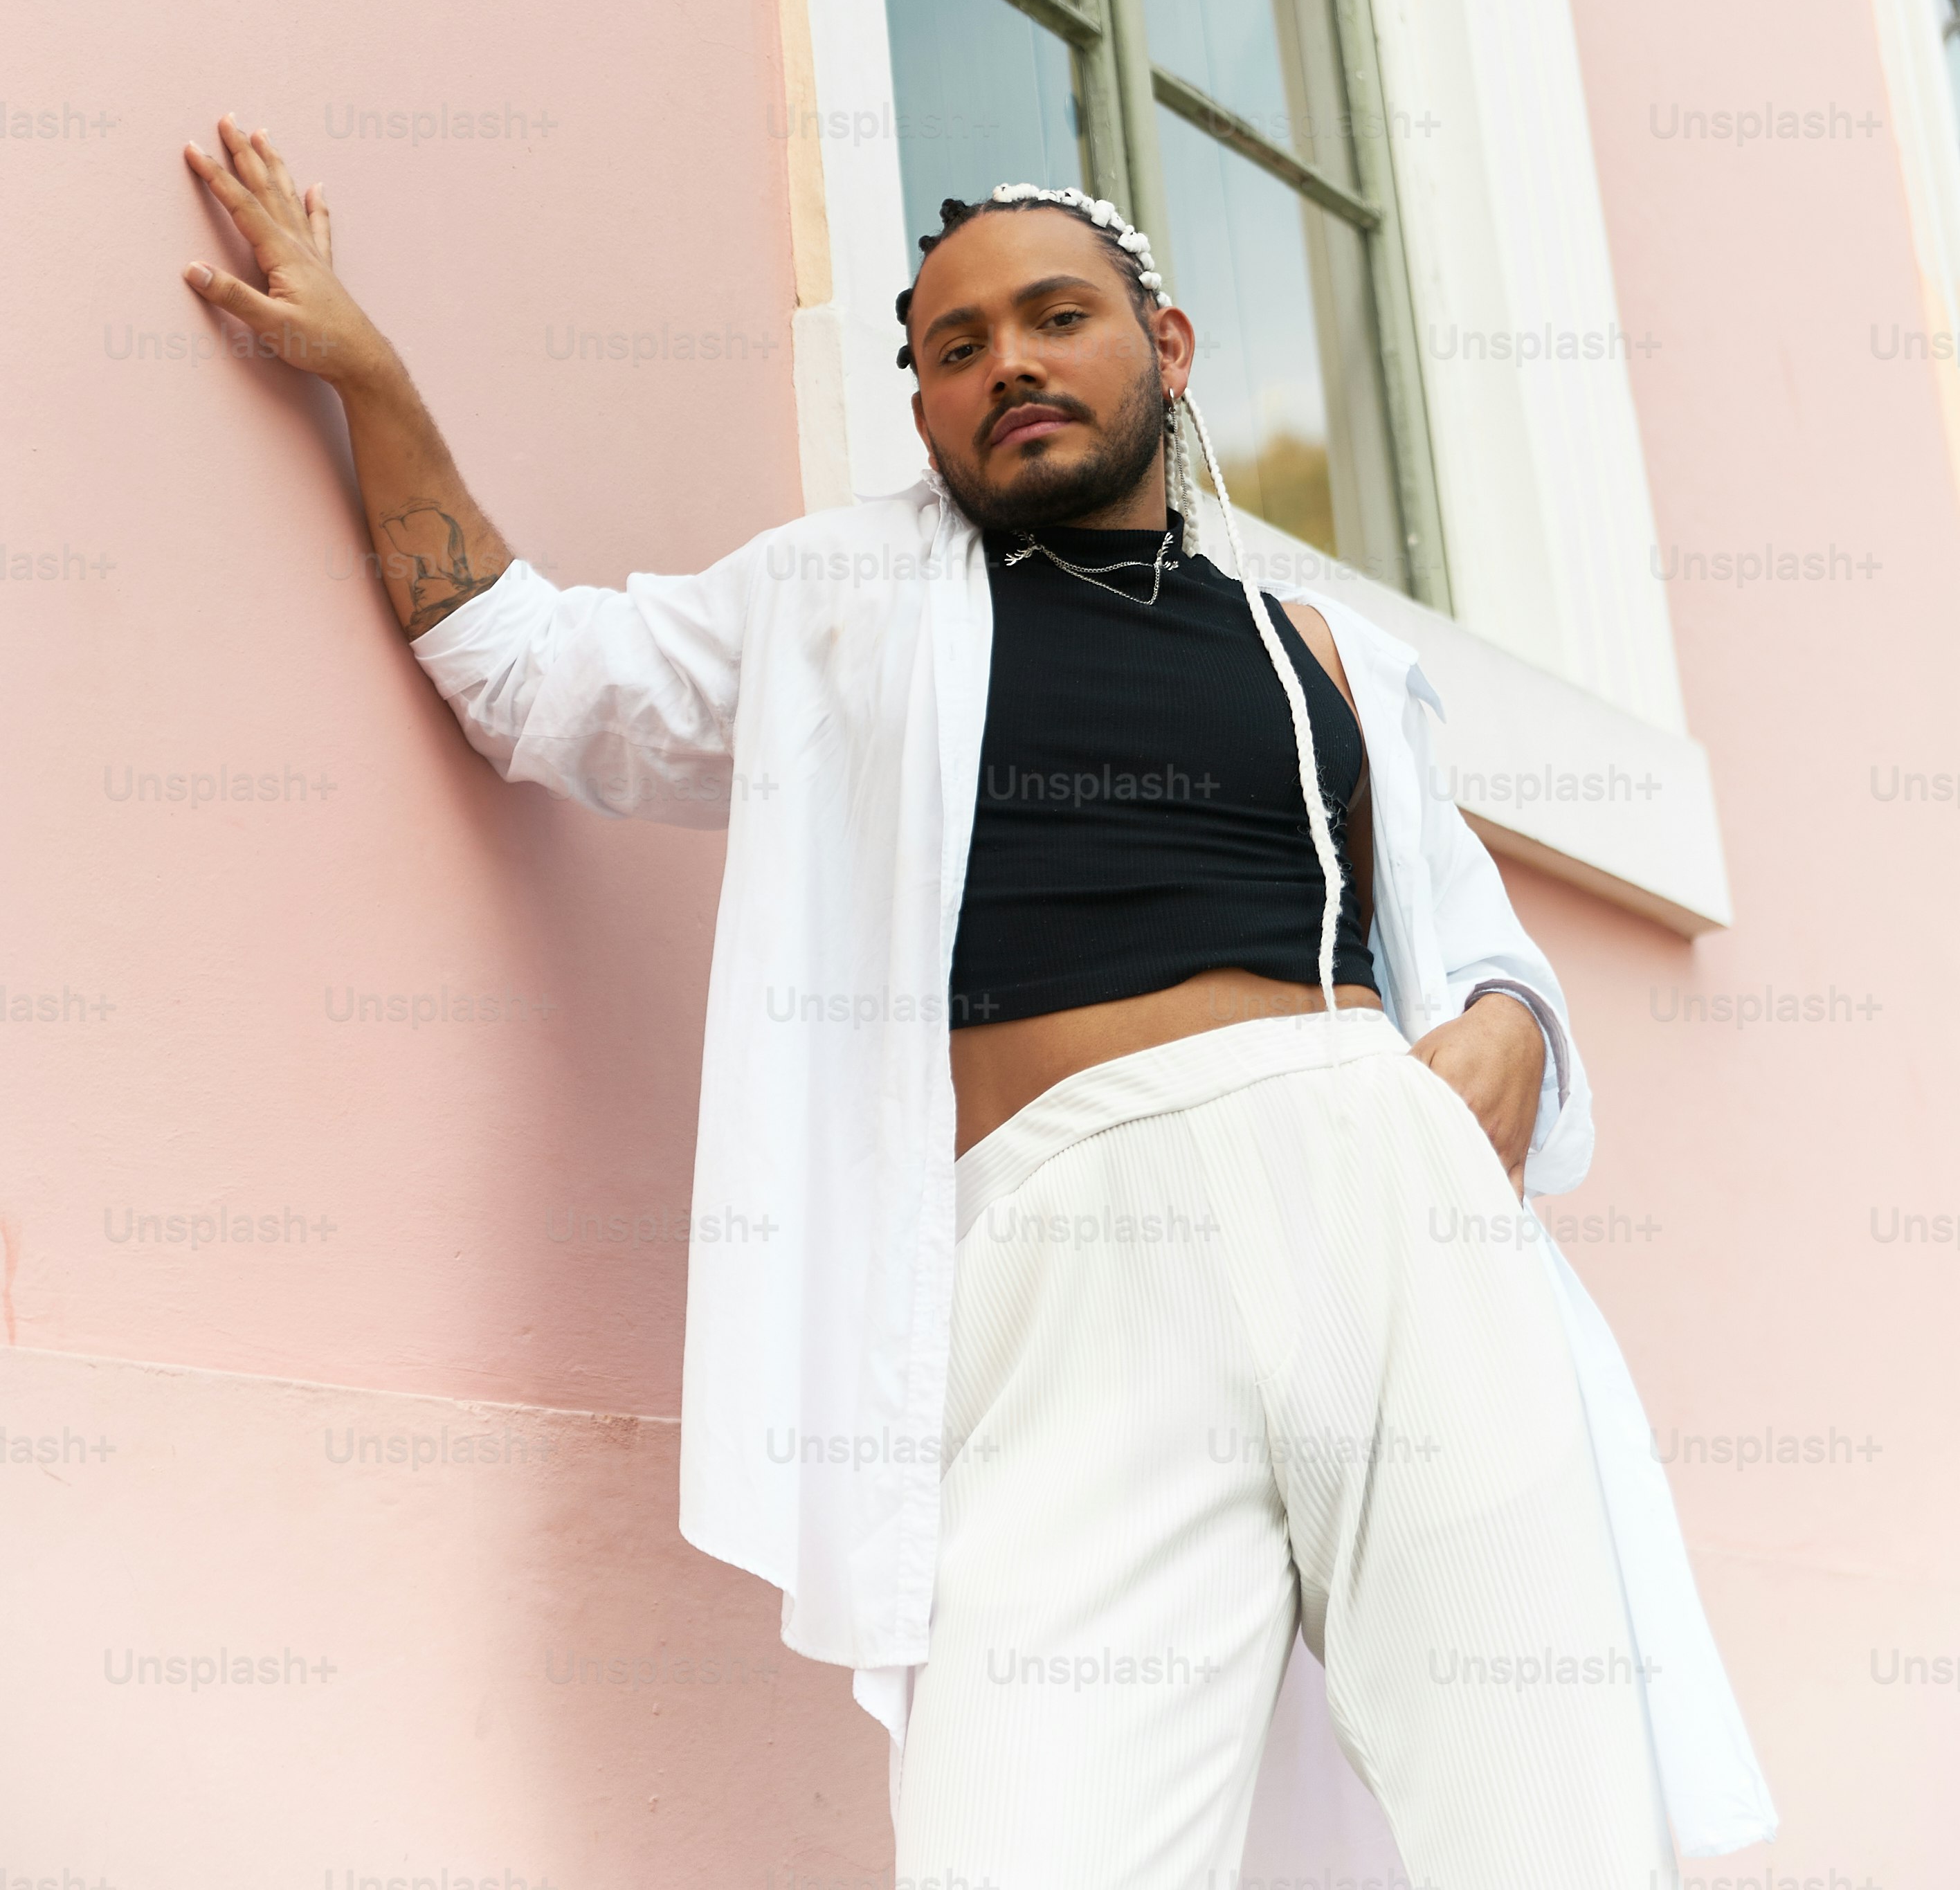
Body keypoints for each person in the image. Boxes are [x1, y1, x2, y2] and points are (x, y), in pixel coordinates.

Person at [181, 116, 1774, 1889]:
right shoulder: (840, 602)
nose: (1006, 359)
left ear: (1166, 348)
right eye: (955, 344)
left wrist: (1513, 1024)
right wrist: (373, 379)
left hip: (1383, 1207)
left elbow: (1485, 955)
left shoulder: (1329, 654)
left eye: (1054, 316)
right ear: (927, 409)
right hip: (1054, 1271)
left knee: (1547, 1813)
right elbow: (531, 672)